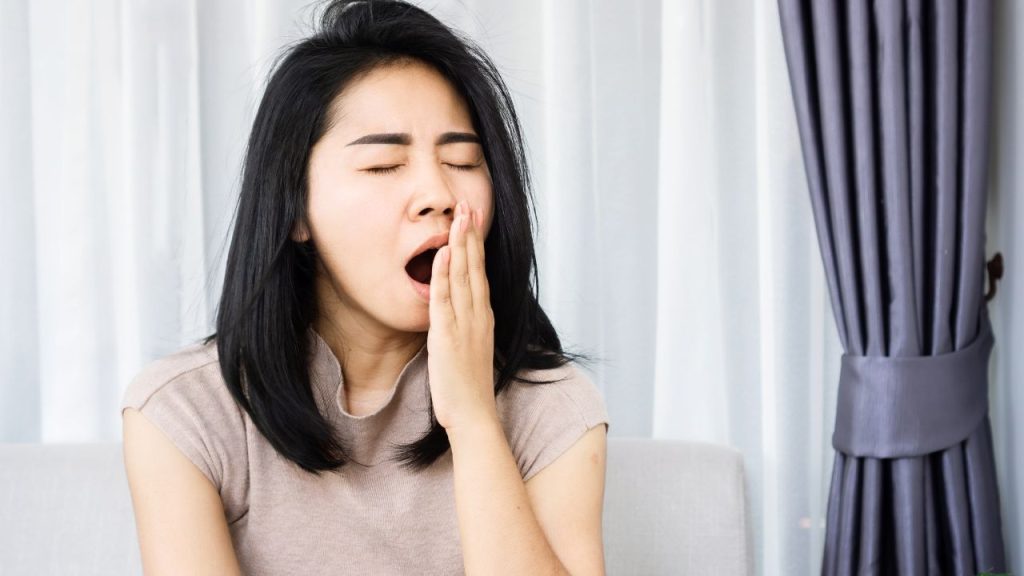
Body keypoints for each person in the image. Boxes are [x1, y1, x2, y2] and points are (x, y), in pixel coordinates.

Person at [120, 1, 610, 574]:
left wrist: (474, 418)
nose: (439, 195)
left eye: (462, 160)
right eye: (383, 165)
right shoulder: (186, 411)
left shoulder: (551, 405)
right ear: (294, 208)